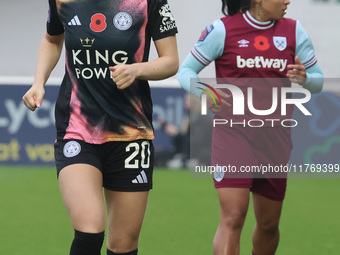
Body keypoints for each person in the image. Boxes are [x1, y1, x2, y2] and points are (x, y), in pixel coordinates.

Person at [22, 0, 178, 254]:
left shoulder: (149, 2)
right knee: (89, 231)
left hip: (131, 133)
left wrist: (137, 69)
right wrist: (38, 82)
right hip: (77, 129)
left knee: (123, 246)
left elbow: (170, 61)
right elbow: (52, 39)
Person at [177, 0, 323, 255]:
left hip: (275, 138)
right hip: (232, 132)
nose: (288, 1)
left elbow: (318, 81)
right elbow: (187, 70)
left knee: (268, 224)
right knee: (233, 216)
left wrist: (305, 79)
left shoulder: (294, 31)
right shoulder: (222, 30)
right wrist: (205, 93)